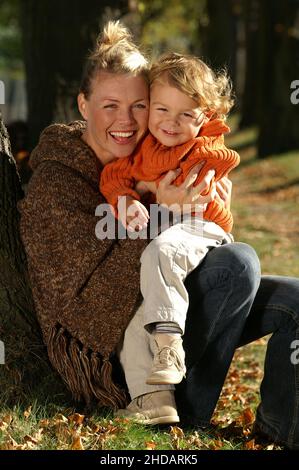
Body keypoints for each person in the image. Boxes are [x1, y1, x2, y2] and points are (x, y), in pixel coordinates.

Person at [18, 21, 299, 450]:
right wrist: (165, 212)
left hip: (177, 295)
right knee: (238, 264)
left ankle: (277, 434)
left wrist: (207, 204)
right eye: (110, 105)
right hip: (121, 346)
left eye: (140, 106)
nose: (127, 121)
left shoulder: (156, 155)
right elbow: (90, 300)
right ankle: (183, 414)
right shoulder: (57, 184)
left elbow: (195, 228)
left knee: (294, 302)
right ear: (82, 105)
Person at [100, 52, 240, 388]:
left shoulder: (202, 145)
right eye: (161, 110)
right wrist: (127, 200)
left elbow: (219, 160)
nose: (171, 123)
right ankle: (150, 399)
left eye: (185, 114)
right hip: (170, 231)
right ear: (149, 106)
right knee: (135, 321)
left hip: (199, 228)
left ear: (204, 116)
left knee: (160, 252)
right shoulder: (143, 148)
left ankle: (169, 346)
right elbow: (114, 176)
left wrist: (158, 185)